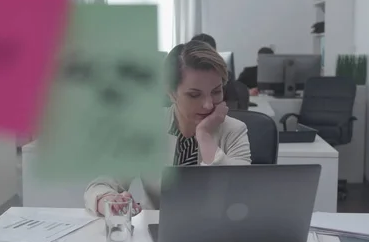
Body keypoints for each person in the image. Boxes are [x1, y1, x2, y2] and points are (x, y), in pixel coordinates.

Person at [84, 40, 252, 216]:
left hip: (217, 233)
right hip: (155, 229)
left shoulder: (235, 130)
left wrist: (205, 137)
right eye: (194, 95)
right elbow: (100, 183)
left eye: (216, 91)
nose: (209, 104)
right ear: (170, 92)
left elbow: (238, 193)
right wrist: (107, 199)